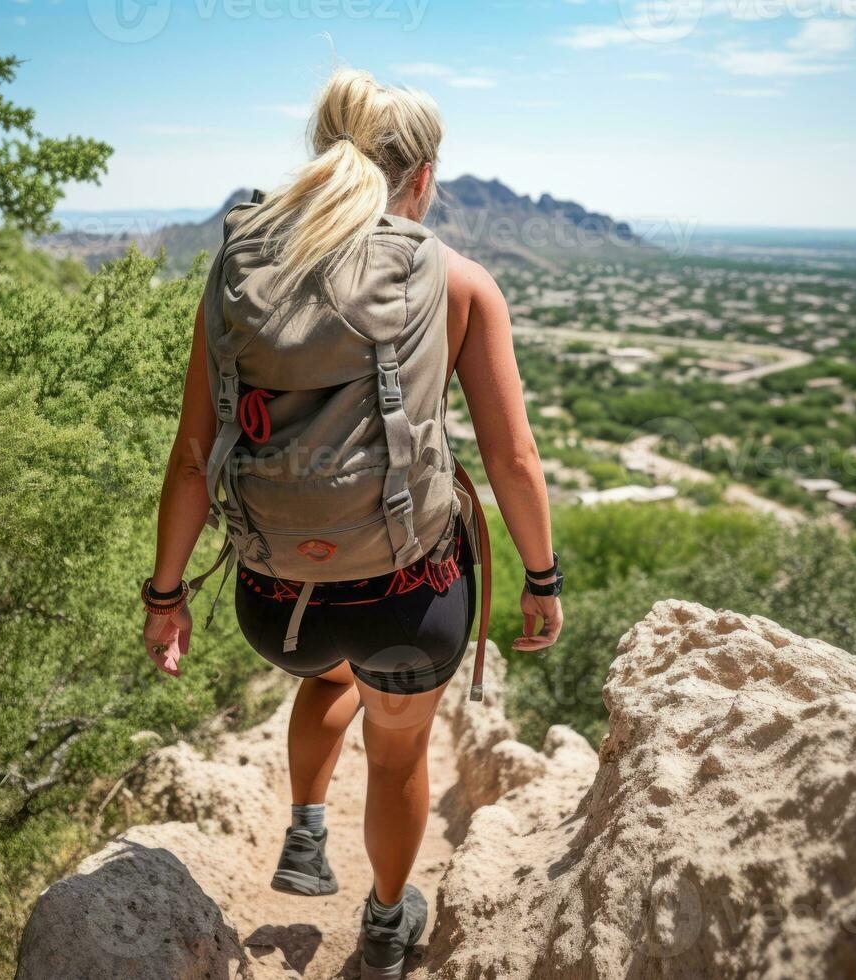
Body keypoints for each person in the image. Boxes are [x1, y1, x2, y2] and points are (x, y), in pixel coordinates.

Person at [141, 68, 562, 979]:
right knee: (399, 747)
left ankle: (304, 833)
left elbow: (188, 456)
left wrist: (165, 595)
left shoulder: (240, 271)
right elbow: (512, 460)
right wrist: (540, 578)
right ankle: (381, 920)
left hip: (277, 602)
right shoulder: (460, 282)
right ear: (419, 177)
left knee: (324, 672)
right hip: (409, 601)